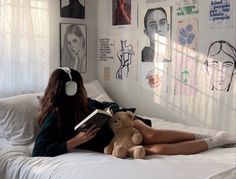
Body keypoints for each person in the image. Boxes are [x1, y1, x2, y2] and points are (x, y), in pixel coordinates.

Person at [32, 68, 236, 157]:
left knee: (150, 135)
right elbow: (39, 150)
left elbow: (110, 107)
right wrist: (76, 141)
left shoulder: (84, 103)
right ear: (63, 89)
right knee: (157, 150)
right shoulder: (55, 117)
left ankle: (208, 136)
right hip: (116, 143)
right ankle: (215, 142)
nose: (78, 90)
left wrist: (112, 109)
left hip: (126, 126)